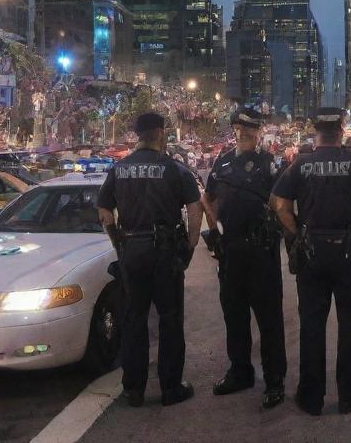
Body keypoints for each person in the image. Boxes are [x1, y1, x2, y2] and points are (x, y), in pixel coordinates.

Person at [271, 107, 351, 417]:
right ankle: (348, 394)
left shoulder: (301, 164)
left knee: (311, 325)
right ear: (342, 131)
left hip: (312, 255)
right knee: (349, 325)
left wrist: (298, 235)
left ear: (315, 132)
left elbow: (281, 207)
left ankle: (311, 397)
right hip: (349, 254)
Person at [97, 111, 203, 408]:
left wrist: (119, 243)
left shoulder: (119, 169)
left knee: (134, 320)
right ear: (160, 132)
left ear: (137, 134)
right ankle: (171, 388)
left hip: (132, 250)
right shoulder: (173, 169)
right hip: (165, 252)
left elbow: (105, 212)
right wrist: (191, 246)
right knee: (170, 320)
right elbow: (195, 210)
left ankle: (133, 389)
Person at [203, 107, 287, 409]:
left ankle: (275, 380)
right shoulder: (222, 162)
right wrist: (217, 227)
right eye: (238, 128)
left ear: (258, 130)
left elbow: (283, 202)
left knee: (269, 319)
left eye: (248, 128)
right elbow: (207, 198)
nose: (242, 133)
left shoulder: (270, 163)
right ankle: (240, 371)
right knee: (234, 315)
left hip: (261, 252)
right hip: (231, 252)